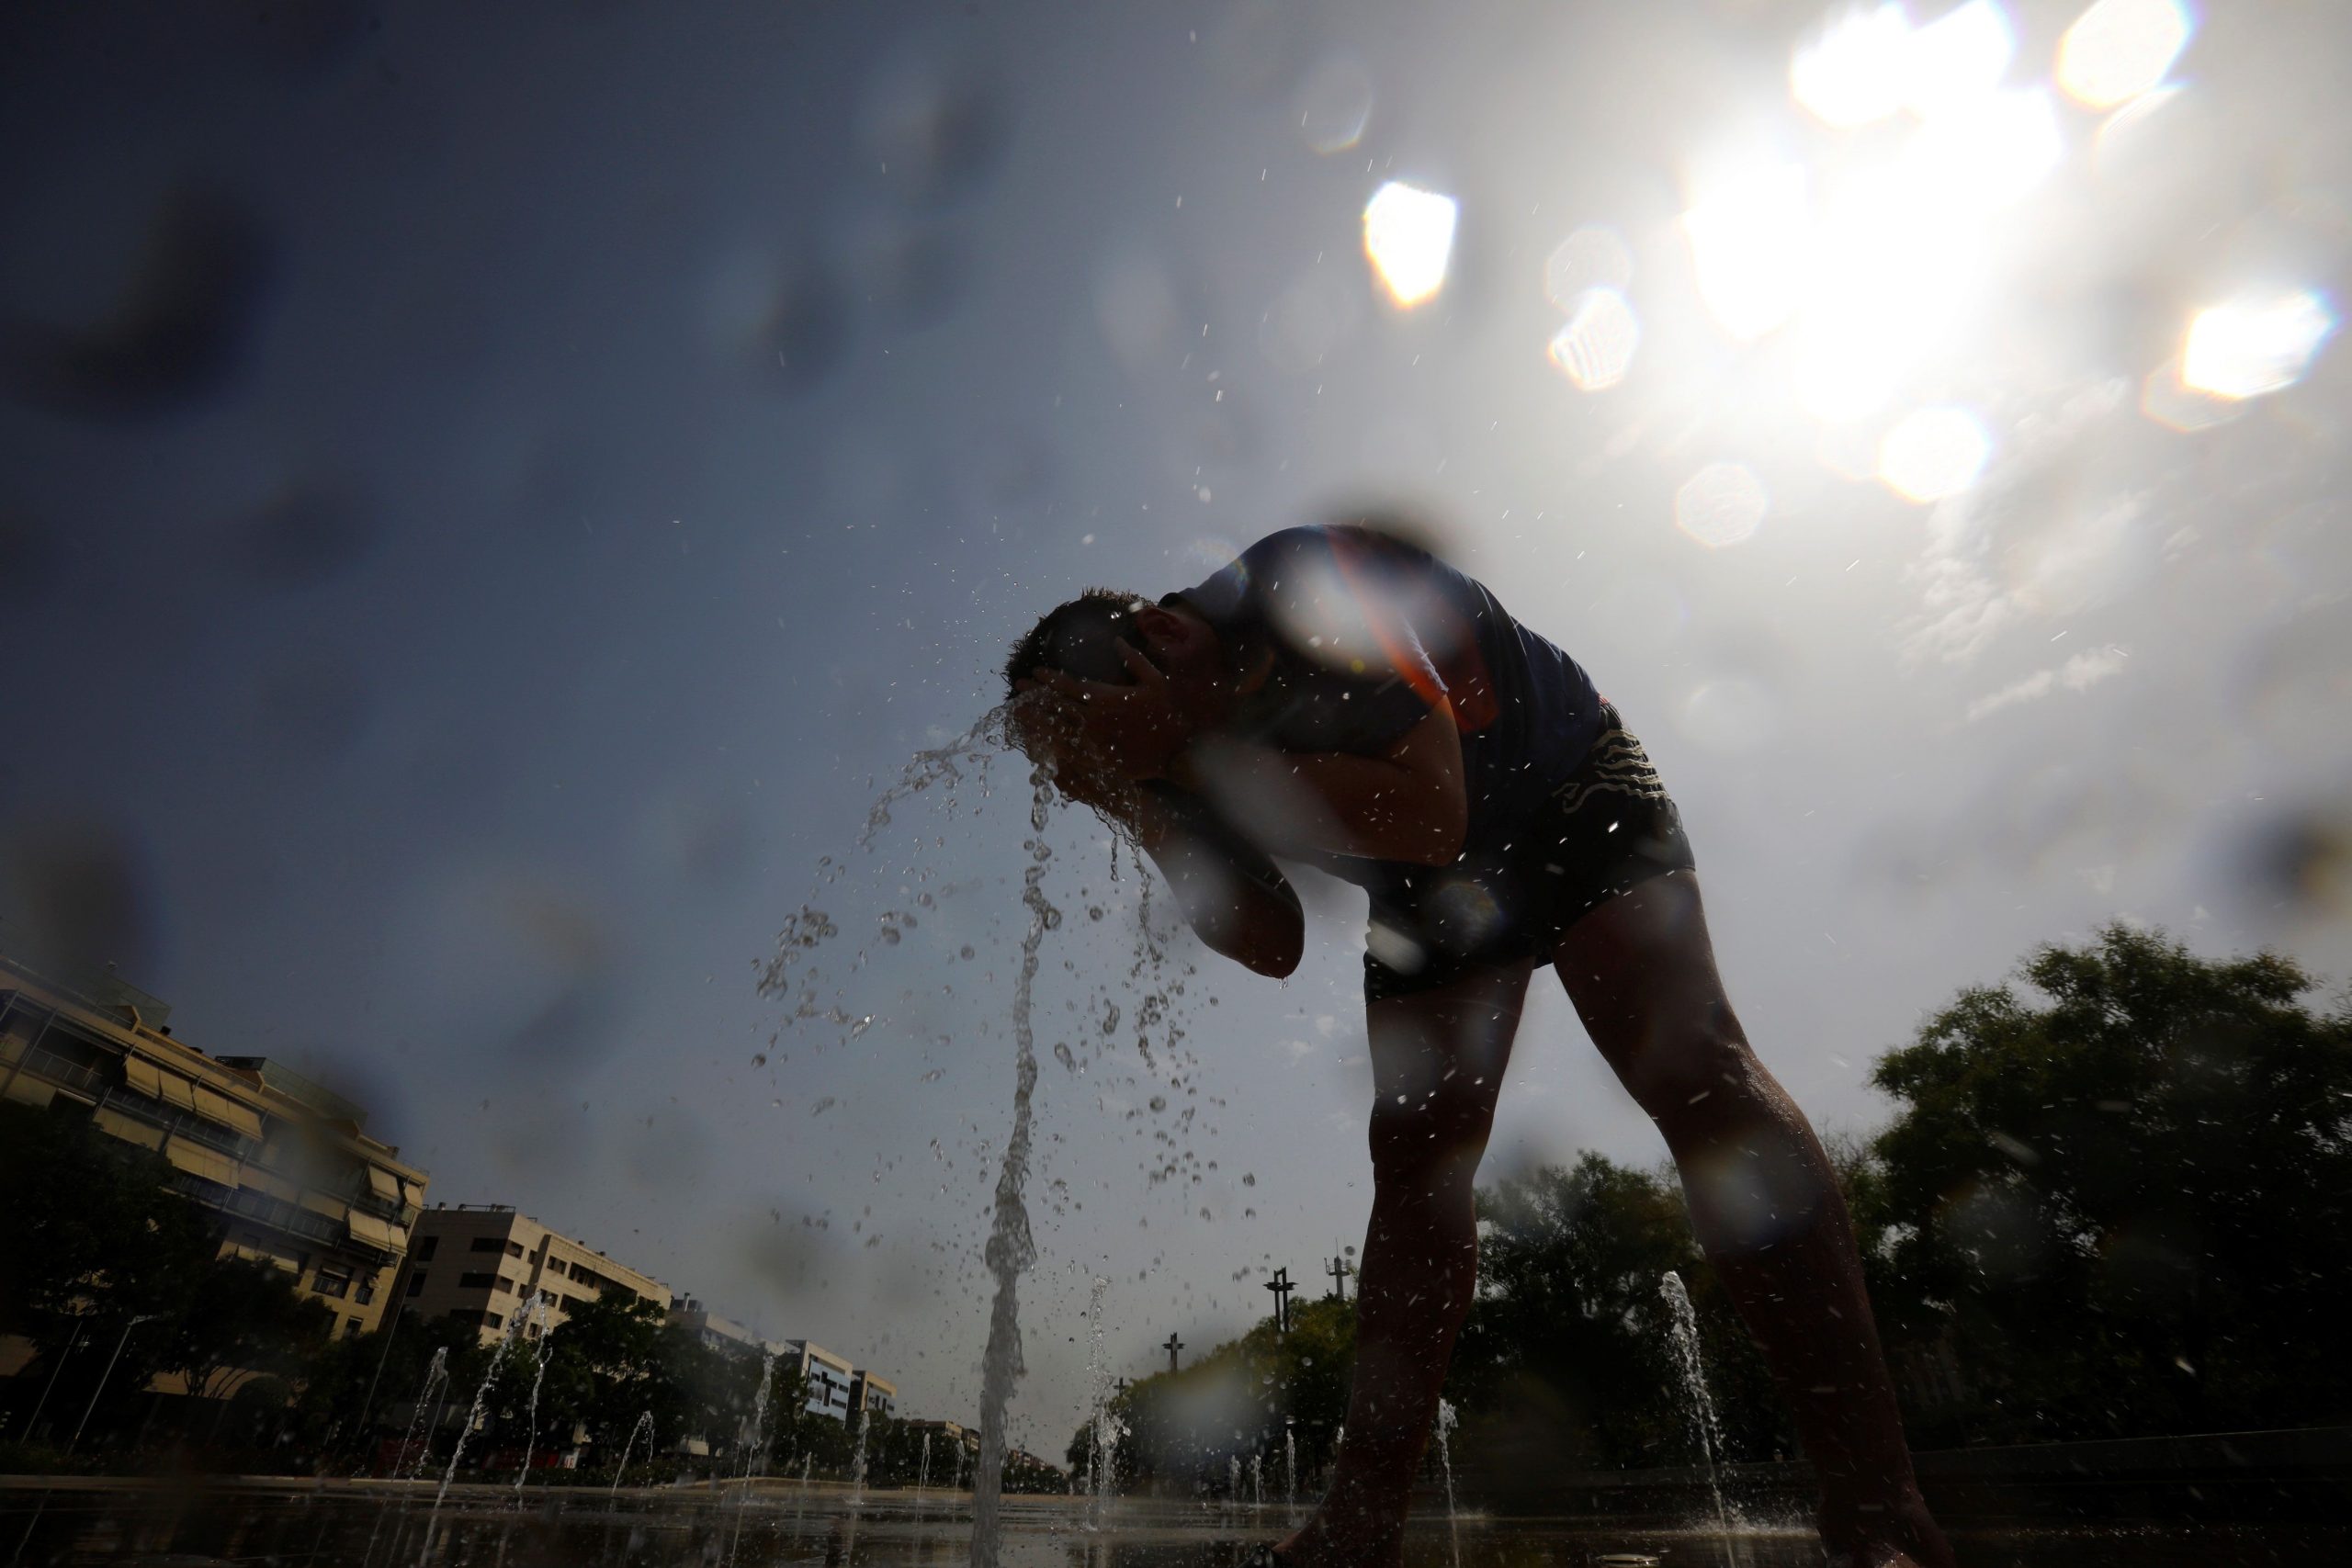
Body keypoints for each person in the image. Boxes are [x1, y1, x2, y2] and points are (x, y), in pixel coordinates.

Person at [1005, 520, 1953, 1568]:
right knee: (1414, 1165)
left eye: (1093, 739)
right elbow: (1268, 941)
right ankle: (1361, 1524)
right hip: (1427, 885)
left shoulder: (1297, 586)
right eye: (1077, 762)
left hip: (1562, 787)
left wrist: (1182, 748)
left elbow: (1432, 805)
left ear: (1152, 639)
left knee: (1695, 1077)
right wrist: (1140, 803)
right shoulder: (1160, 752)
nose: (1094, 765)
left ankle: (1876, 1504)